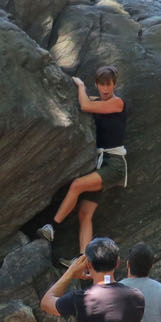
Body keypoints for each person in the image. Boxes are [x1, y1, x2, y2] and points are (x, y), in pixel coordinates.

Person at [37, 67, 129, 261]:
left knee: (77, 185)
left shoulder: (117, 102)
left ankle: (52, 227)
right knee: (85, 214)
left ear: (114, 84)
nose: (105, 89)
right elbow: (87, 103)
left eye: (109, 84)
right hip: (101, 164)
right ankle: (83, 262)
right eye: (102, 84)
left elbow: (85, 105)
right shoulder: (100, 101)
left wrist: (80, 86)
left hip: (113, 164)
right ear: (97, 85)